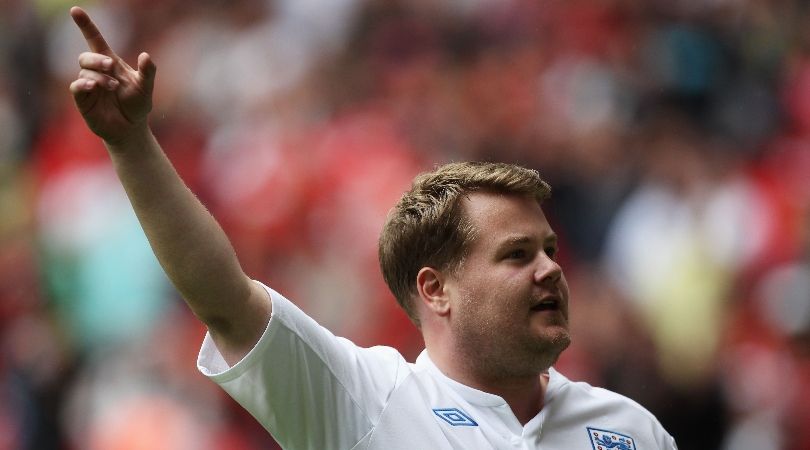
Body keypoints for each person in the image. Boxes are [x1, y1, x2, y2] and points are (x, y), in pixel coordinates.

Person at [68, 6, 678, 449]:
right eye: (516, 255)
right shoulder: (364, 402)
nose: (550, 267)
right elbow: (224, 300)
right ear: (436, 288)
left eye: (548, 248)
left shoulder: (631, 430)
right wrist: (132, 145)